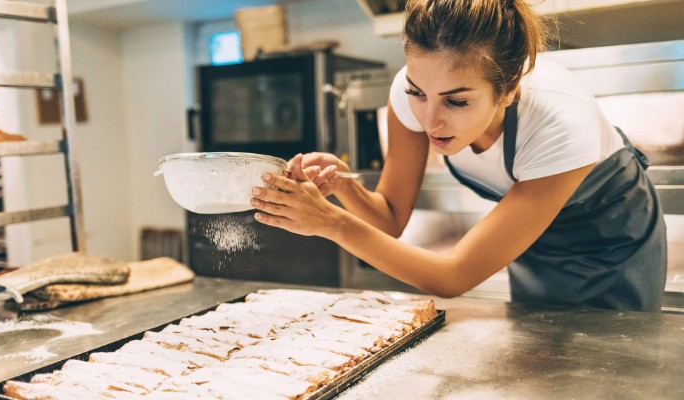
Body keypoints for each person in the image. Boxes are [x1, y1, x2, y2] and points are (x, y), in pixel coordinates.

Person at [250, 0, 667, 312]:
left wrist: (329, 222)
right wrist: (344, 187)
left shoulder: (560, 125)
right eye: (418, 92)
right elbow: (390, 219)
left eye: (457, 102)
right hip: (535, 244)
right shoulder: (410, 95)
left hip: (612, 243)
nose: (430, 121)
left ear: (507, 91)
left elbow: (452, 278)